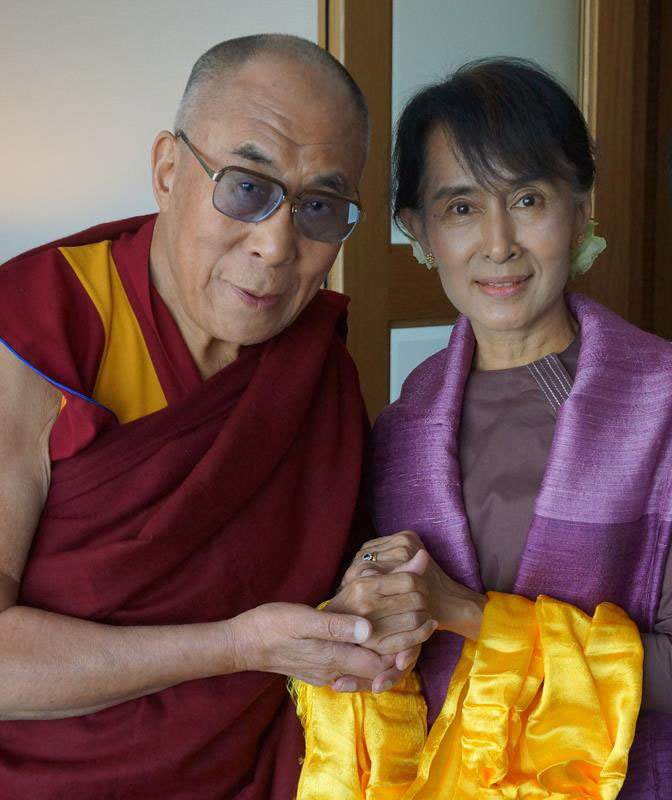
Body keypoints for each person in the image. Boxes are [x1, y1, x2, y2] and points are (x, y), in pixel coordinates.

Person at [0, 34, 433, 799]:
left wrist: (366, 596)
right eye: (245, 186)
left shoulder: (316, 367)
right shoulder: (38, 335)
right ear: (169, 170)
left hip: (265, 773)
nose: (275, 245)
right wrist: (236, 646)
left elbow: (327, 573)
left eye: (320, 208)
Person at [293, 59, 672, 798]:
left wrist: (464, 613)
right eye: (461, 208)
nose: (498, 244)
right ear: (418, 230)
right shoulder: (404, 428)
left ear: (583, 206)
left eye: (528, 199)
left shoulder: (658, 405)